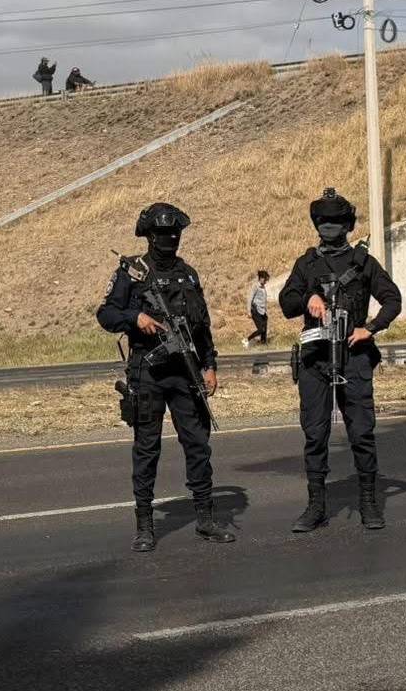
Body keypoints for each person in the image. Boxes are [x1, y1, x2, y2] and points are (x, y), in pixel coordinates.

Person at [96, 202, 234, 552]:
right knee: (147, 448)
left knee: (198, 445)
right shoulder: (132, 273)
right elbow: (106, 313)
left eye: (174, 233)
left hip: (185, 373)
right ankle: (145, 525)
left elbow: (201, 327)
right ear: (149, 236)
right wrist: (135, 318)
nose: (169, 239)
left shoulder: (188, 274)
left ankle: (205, 517)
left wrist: (210, 365)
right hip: (148, 372)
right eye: (162, 233)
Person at [279, 188, 402, 533]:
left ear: (347, 224)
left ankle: (368, 502)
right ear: (316, 224)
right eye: (324, 221)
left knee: (361, 433)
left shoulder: (363, 262)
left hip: (354, 358)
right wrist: (309, 297)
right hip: (316, 360)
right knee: (315, 435)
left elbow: (393, 299)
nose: (329, 227)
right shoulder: (306, 264)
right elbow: (286, 303)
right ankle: (316, 505)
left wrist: (371, 328)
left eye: (336, 221)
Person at [244, 270, 270, 347]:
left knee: (264, 327)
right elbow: (249, 299)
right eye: (265, 279)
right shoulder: (255, 286)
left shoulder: (263, 288)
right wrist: (248, 311)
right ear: (261, 278)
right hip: (255, 311)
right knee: (261, 329)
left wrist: (265, 311)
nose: (266, 281)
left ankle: (263, 343)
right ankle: (247, 339)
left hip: (262, 311)